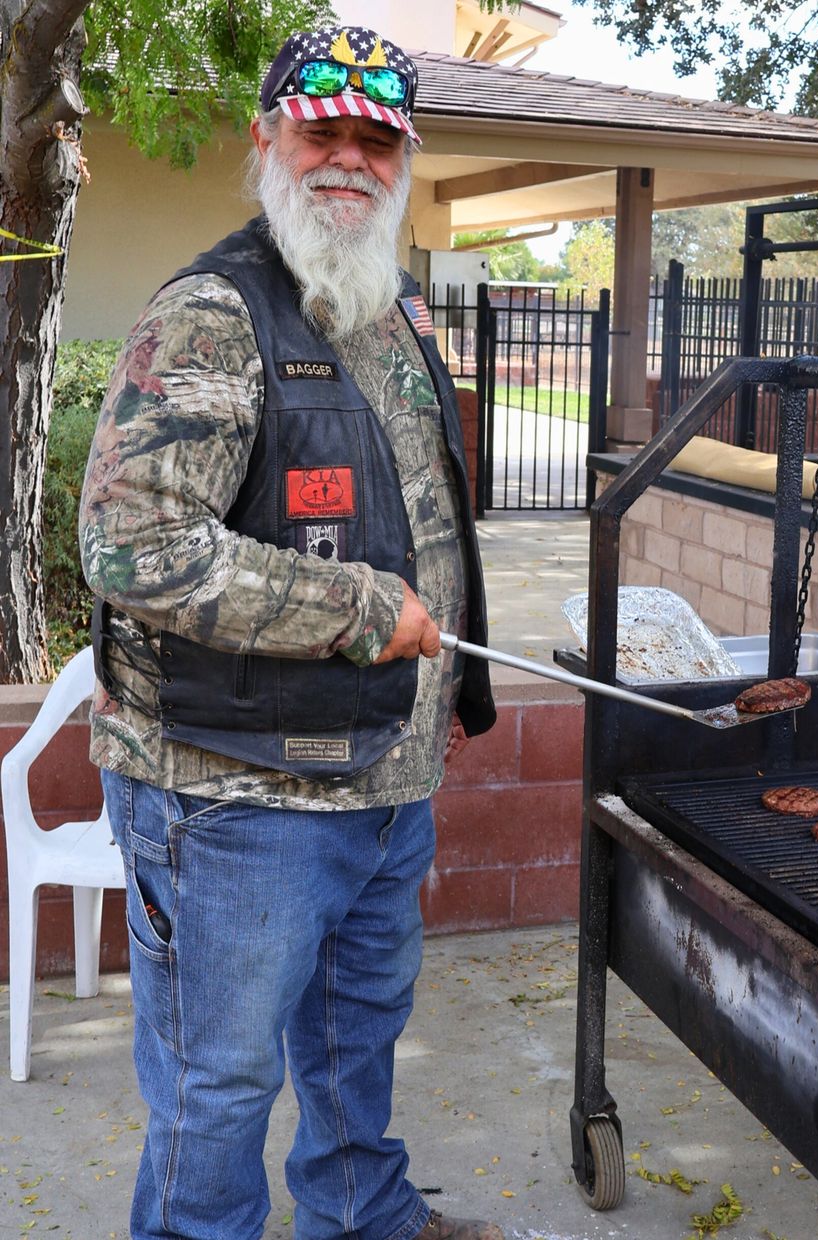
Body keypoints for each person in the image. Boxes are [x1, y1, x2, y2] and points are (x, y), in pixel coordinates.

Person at [78, 24, 506, 1240]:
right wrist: (362, 613)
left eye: (378, 139)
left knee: (356, 1041)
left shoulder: (394, 307)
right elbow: (133, 544)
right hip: (230, 795)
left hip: (382, 779)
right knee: (217, 1085)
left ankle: (363, 1217)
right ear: (268, 138)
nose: (350, 159)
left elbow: (421, 518)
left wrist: (440, 708)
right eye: (324, 132)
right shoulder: (213, 313)